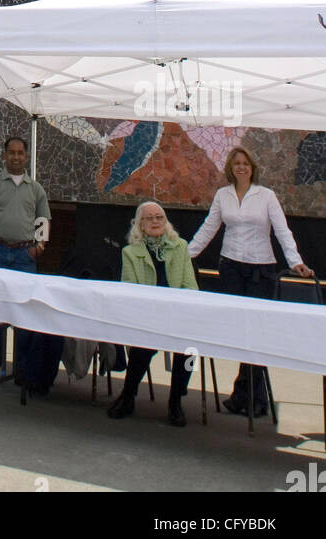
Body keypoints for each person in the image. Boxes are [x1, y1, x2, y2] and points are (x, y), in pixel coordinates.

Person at [187, 145, 313, 417]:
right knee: (239, 331)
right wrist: (186, 254)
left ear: (253, 167)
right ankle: (246, 395)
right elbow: (210, 226)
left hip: (261, 269)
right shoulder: (223, 195)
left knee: (256, 332)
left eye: (246, 163)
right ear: (231, 169)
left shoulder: (266, 196)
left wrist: (295, 261)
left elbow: (282, 230)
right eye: (236, 163)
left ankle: (253, 397)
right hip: (231, 266)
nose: (241, 167)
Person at [0, 136, 63, 394]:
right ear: (4, 155)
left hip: (25, 255)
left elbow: (43, 220)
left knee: (25, 313)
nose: (15, 157)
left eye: (20, 153)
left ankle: (23, 369)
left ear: (26, 157)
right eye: (11, 153)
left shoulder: (35, 189)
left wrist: (39, 248)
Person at [107, 202, 197, 427]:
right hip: (147, 316)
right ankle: (128, 396)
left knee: (190, 351)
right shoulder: (130, 252)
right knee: (142, 347)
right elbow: (129, 289)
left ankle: (176, 401)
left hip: (177, 315)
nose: (156, 222)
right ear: (140, 224)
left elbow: (190, 287)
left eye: (160, 217)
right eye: (150, 218)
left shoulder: (180, 246)